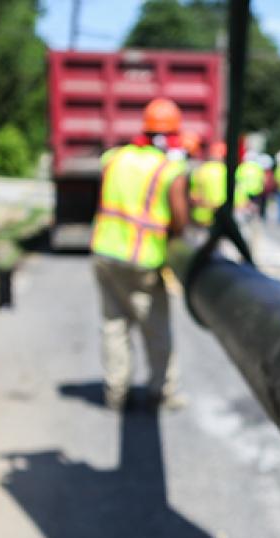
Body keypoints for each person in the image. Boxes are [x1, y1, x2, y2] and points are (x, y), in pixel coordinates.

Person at [90, 97, 189, 411]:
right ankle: (162, 391)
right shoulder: (169, 170)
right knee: (156, 329)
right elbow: (180, 219)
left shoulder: (114, 158)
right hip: (142, 259)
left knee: (114, 325)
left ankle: (116, 393)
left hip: (104, 251)